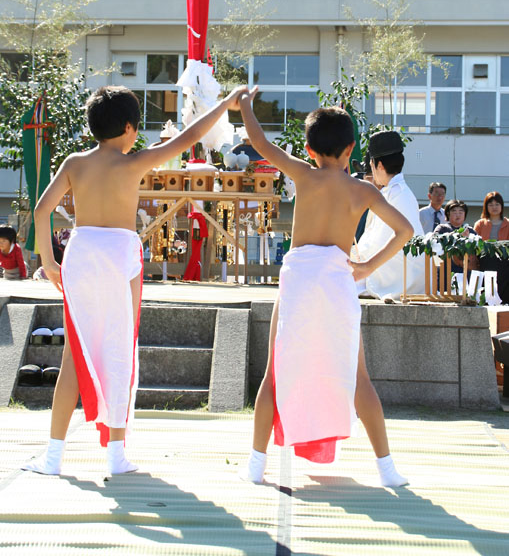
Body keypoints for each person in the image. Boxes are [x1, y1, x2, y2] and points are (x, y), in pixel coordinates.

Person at [23, 83, 246, 477]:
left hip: (82, 252)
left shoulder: (75, 163)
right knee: (119, 351)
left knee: (76, 354)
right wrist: (227, 104)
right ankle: (115, 455)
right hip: (119, 253)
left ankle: (54, 457)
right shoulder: (134, 162)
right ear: (129, 127)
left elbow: (42, 210)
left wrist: (49, 262)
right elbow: (191, 136)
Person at [238, 92, 413, 487]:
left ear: (309, 149)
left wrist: (245, 105)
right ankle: (387, 469)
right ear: (351, 148)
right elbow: (404, 230)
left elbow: (260, 144)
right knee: (358, 378)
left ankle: (255, 465)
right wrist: (368, 265)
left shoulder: (303, 174)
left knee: (274, 374)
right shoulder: (363, 191)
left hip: (300, 280)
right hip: (337, 280)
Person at [356, 131, 424, 301]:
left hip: (398, 281)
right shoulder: (395, 192)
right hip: (400, 276)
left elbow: (378, 242)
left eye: (371, 165)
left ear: (379, 166)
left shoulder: (397, 195)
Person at [474, 192, 509, 304]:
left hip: (504, 262)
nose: (494, 207)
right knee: (486, 286)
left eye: (497, 204)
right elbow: (475, 244)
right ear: (486, 207)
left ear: (502, 206)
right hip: (485, 261)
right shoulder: (480, 224)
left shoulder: (508, 223)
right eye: (491, 204)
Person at [434, 199, 479, 281]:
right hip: (446, 272)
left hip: (466, 272)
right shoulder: (442, 228)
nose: (458, 215)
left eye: (461, 212)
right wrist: (458, 237)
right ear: (448, 213)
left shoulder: (471, 231)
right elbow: (435, 243)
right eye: (454, 212)